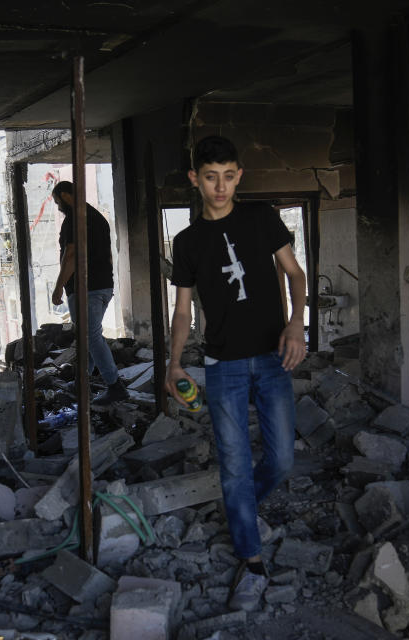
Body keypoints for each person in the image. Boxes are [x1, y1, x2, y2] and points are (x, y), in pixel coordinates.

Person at [165, 136, 307, 611]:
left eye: (228, 175)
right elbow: (184, 310)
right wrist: (173, 361)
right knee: (233, 466)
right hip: (221, 366)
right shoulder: (186, 243)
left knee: (282, 460)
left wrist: (296, 324)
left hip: (272, 358)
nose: (220, 186)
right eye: (210, 176)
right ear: (195, 179)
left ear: (239, 176)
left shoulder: (261, 218)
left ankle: (241, 509)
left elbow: (295, 274)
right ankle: (251, 555)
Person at [51, 181, 129, 405]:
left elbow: (71, 256)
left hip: (87, 289)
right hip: (103, 286)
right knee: (89, 336)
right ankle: (81, 383)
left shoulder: (75, 219)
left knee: (90, 336)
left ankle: (115, 386)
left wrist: (58, 288)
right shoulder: (95, 216)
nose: (58, 208)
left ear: (66, 195)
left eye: (58, 202)